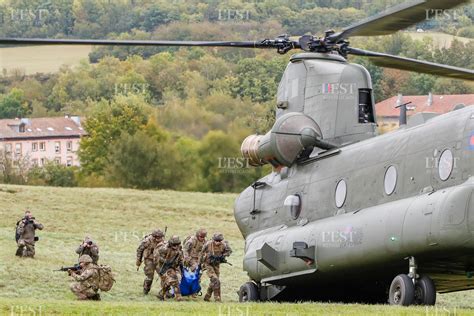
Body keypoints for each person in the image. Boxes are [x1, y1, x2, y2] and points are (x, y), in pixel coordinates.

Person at [200, 233, 232, 302]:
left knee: (214, 281)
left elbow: (229, 251)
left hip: (216, 265)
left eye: (219, 241)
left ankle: (207, 296)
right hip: (208, 264)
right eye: (216, 241)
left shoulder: (224, 244)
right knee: (215, 280)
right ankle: (217, 298)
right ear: (213, 240)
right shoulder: (208, 244)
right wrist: (200, 264)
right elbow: (201, 253)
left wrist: (223, 256)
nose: (217, 242)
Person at [155, 235, 184, 301]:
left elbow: (181, 257)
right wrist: (165, 261)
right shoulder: (164, 249)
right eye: (174, 244)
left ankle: (161, 294)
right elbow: (157, 256)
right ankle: (178, 297)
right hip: (163, 267)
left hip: (173, 266)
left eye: (177, 244)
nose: (176, 246)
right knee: (174, 280)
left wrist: (181, 263)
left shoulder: (179, 249)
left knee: (169, 282)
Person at [136, 229, 164, 294]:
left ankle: (165, 291)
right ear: (154, 237)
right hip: (149, 259)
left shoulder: (163, 241)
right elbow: (140, 250)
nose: (159, 239)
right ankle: (146, 290)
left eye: (160, 237)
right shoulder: (147, 241)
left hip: (158, 260)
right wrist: (138, 260)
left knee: (163, 275)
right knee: (149, 276)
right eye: (157, 238)